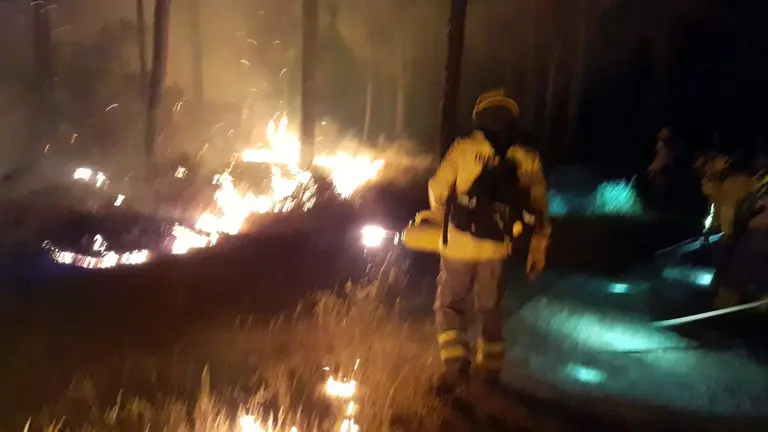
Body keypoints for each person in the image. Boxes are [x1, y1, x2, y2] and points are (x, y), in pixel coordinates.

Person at [428, 89, 551, 396]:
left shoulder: (464, 149)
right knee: (490, 307)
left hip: (458, 244)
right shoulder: (527, 158)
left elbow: (438, 190)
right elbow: (539, 208)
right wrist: (538, 249)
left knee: (450, 304)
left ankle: (455, 367)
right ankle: (491, 371)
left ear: (479, 117)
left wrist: (443, 214)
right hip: (497, 247)